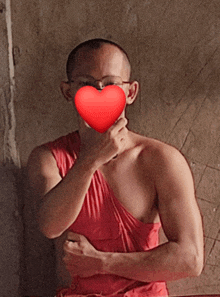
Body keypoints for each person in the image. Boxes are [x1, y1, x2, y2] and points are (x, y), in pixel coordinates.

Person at [26, 38, 204, 297]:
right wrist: (89, 160)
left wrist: (101, 262)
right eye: (86, 84)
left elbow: (190, 259)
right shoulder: (48, 157)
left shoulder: (160, 159)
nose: (99, 93)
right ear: (68, 92)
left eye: (110, 84)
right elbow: (50, 226)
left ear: (130, 92)